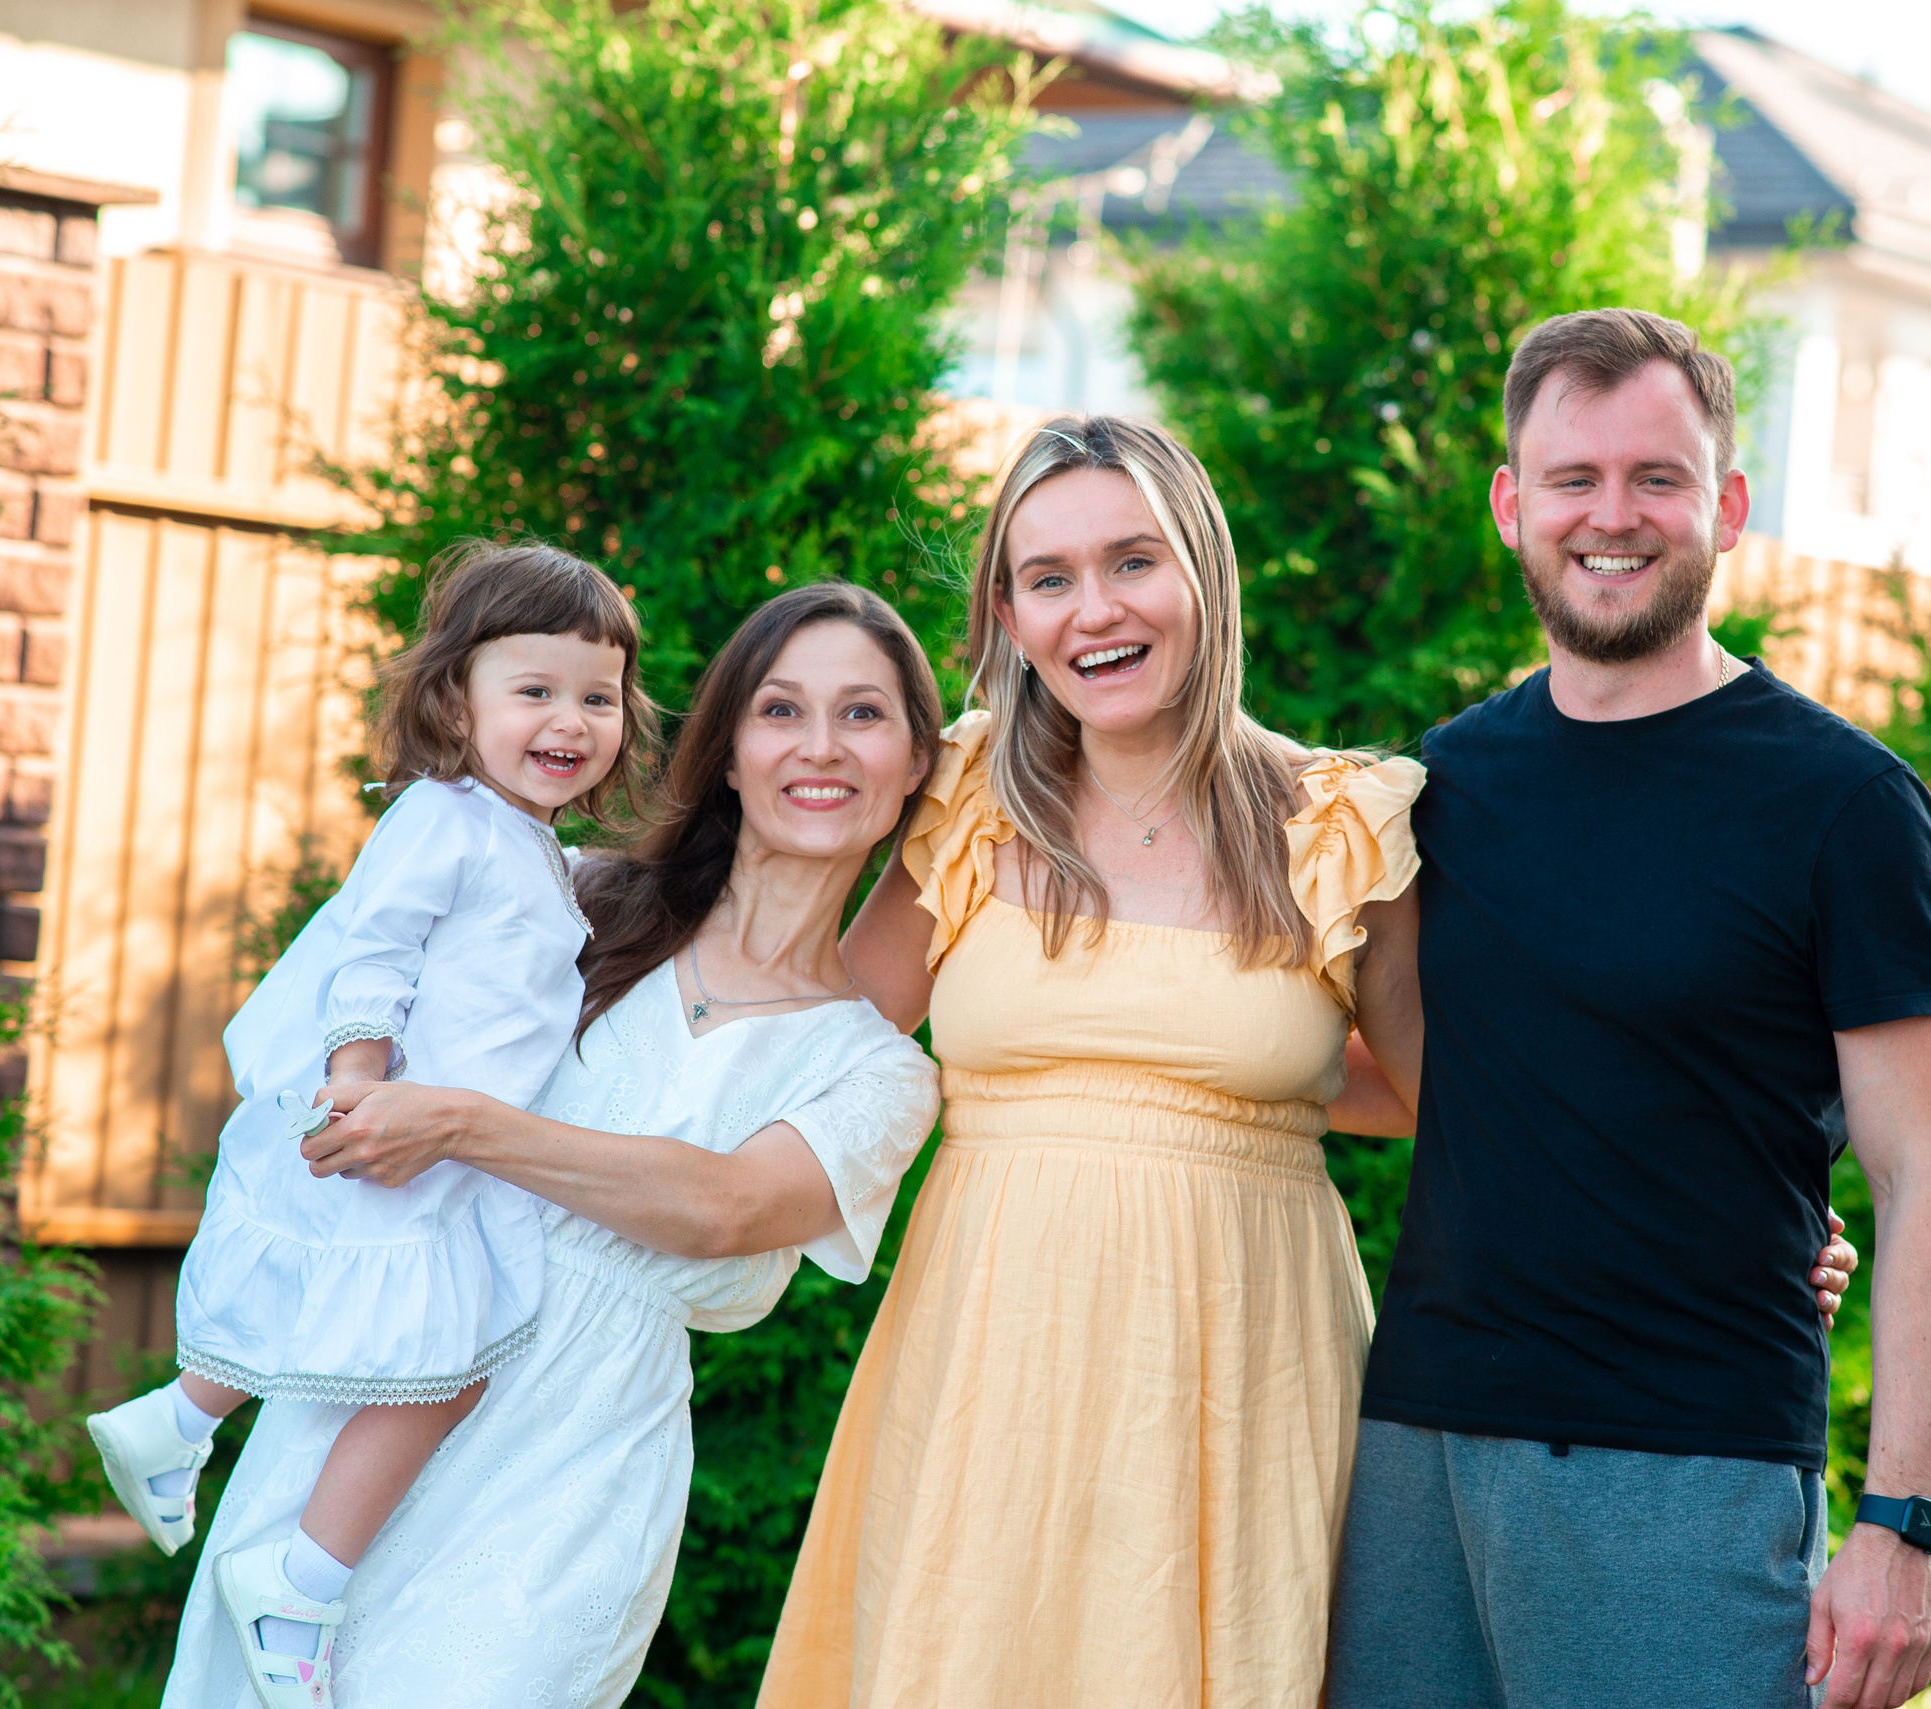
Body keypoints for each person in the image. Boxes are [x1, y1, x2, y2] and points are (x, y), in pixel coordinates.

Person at [756, 416, 1861, 1707]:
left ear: (1204, 571)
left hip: (1245, 1372)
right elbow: (822, 1040)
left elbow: (1475, 1104)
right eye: (1048, 577)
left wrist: (1724, 1229)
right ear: (1008, 614)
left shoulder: (1336, 826)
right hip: (989, 1358)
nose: (1094, 609)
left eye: (1133, 561)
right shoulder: (965, 799)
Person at [1326, 309, 1931, 1709]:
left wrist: (1902, 1523)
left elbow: (1928, 1178)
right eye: (1571, 478)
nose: (1611, 515)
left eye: (1657, 478)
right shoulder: (1445, 785)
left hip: (1686, 1466)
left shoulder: (1846, 808)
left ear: (1728, 506)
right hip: (1415, 1460)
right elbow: (1436, 1080)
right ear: (1512, 506)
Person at [156, 583, 945, 1708]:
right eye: (780, 710)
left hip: (576, 1472)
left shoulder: (875, 1070)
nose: (820, 746)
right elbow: (338, 998)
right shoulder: (567, 903)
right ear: (728, 752)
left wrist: (464, 1124)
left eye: (863, 714)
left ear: (918, 764)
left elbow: (724, 1207)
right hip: (381, 1394)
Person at [89, 541, 657, 1698]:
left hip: (445, 1146)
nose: (570, 720)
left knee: (362, 1326)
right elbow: (373, 947)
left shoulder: (518, 836)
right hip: (404, 1135)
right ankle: (297, 1582)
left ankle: (177, 1421)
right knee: (437, 1368)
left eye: (597, 697)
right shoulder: (444, 816)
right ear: (456, 699)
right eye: (535, 690)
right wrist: (356, 1075)